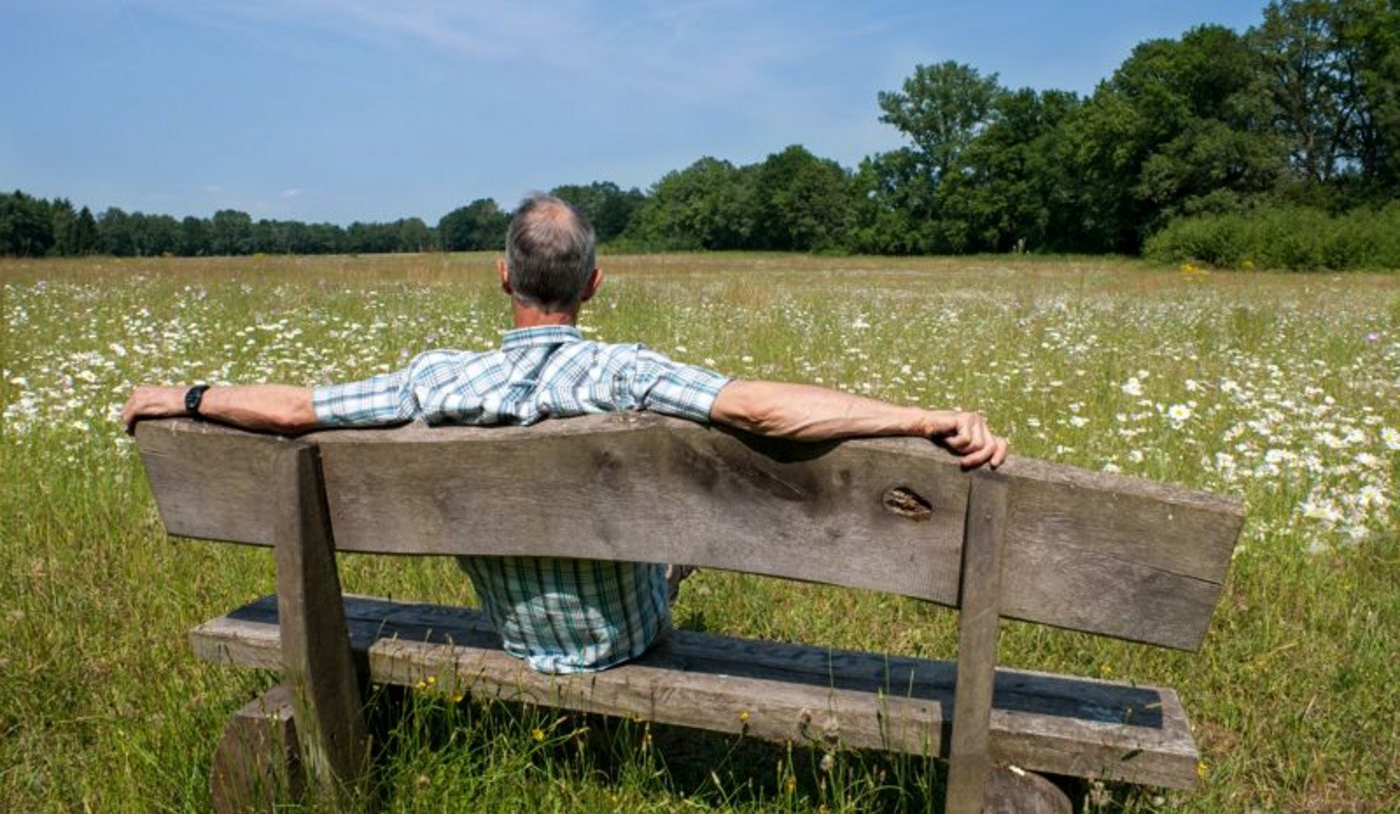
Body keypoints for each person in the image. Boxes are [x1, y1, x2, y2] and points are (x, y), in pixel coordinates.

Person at [122, 194, 1007, 674]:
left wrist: (185, 393)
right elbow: (763, 410)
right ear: (593, 286)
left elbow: (292, 412)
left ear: (502, 275)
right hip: (624, 636)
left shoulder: (439, 380)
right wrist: (924, 416)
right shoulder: (622, 371)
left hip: (512, 629)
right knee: (668, 542)